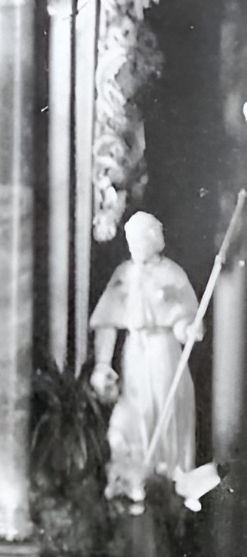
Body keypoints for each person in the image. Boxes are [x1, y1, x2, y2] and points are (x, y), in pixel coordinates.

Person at [91, 209, 202, 499]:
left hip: (163, 350)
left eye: (139, 239)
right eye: (130, 240)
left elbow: (182, 318)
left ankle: (165, 482)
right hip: (135, 352)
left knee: (163, 407)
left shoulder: (172, 274)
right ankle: (135, 480)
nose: (134, 245)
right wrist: (102, 363)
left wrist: (187, 329)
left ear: (154, 239)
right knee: (132, 413)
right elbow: (107, 321)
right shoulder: (124, 274)